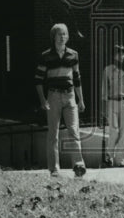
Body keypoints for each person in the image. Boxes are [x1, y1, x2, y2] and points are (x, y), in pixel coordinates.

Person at [35, 23, 86, 178]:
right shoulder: (46, 56)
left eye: (65, 34)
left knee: (73, 130)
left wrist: (81, 100)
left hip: (70, 95)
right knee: (53, 133)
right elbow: (38, 80)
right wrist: (43, 100)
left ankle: (78, 165)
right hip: (53, 96)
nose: (62, 37)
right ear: (53, 37)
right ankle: (54, 169)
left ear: (68, 37)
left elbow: (77, 78)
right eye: (59, 34)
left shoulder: (73, 55)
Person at [101, 43, 124, 167]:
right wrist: (103, 108)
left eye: (123, 53)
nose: (121, 56)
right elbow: (104, 90)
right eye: (118, 53)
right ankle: (109, 158)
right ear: (113, 55)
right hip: (112, 102)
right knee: (113, 131)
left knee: (123, 131)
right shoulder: (108, 70)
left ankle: (122, 161)